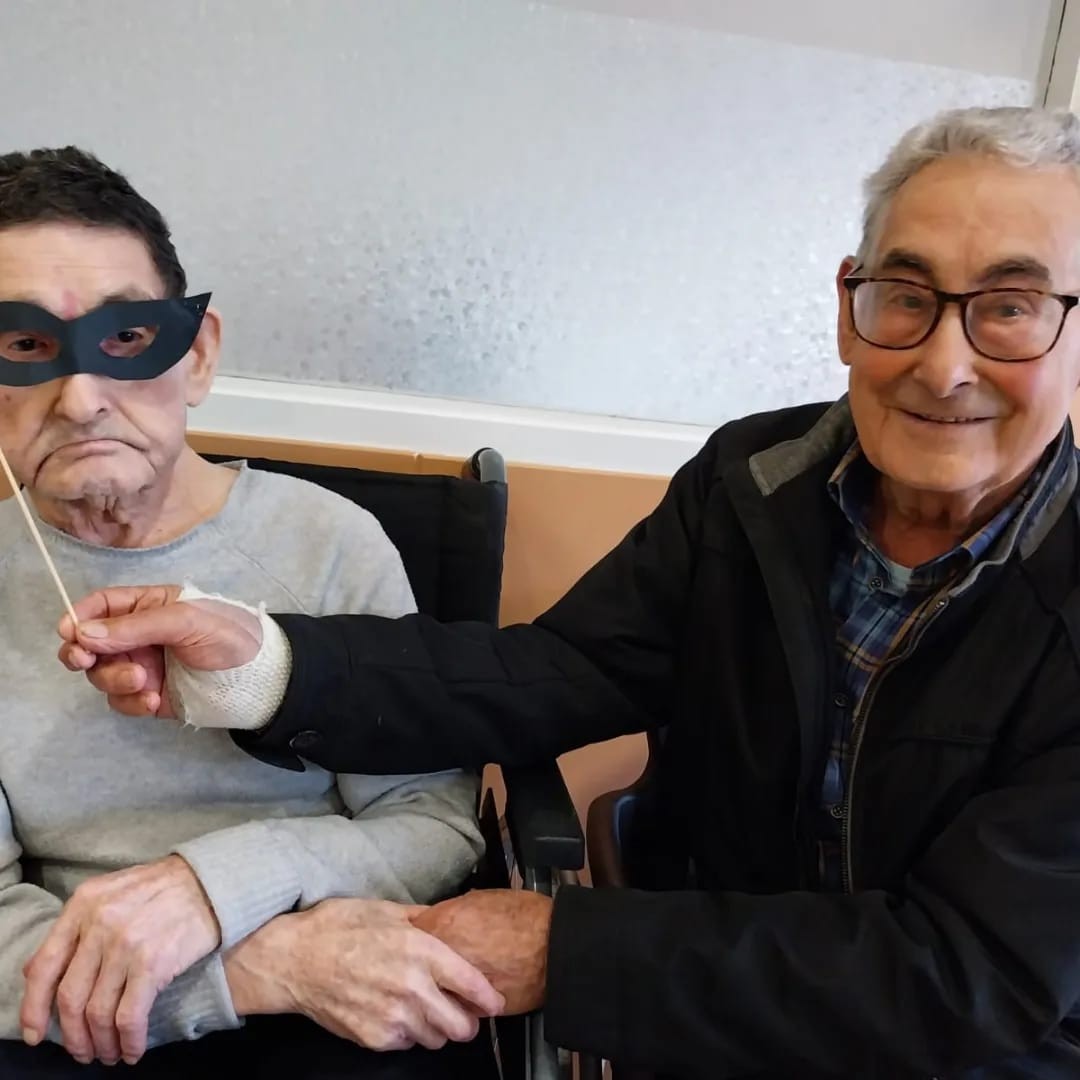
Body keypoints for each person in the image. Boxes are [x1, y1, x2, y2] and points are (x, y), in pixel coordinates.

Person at [60, 104, 1080, 1078]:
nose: (943, 365)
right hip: (708, 1029)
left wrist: (568, 949)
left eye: (1011, 308)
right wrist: (263, 667)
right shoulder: (754, 484)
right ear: (850, 307)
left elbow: (966, 976)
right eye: (906, 295)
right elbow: (561, 670)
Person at [0, 147, 502, 1078]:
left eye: (126, 337)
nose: (80, 399)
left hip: (347, 984)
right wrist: (255, 970)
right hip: (77, 1012)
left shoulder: (331, 543)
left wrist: (216, 888)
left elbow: (430, 826)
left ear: (196, 355)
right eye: (25, 346)